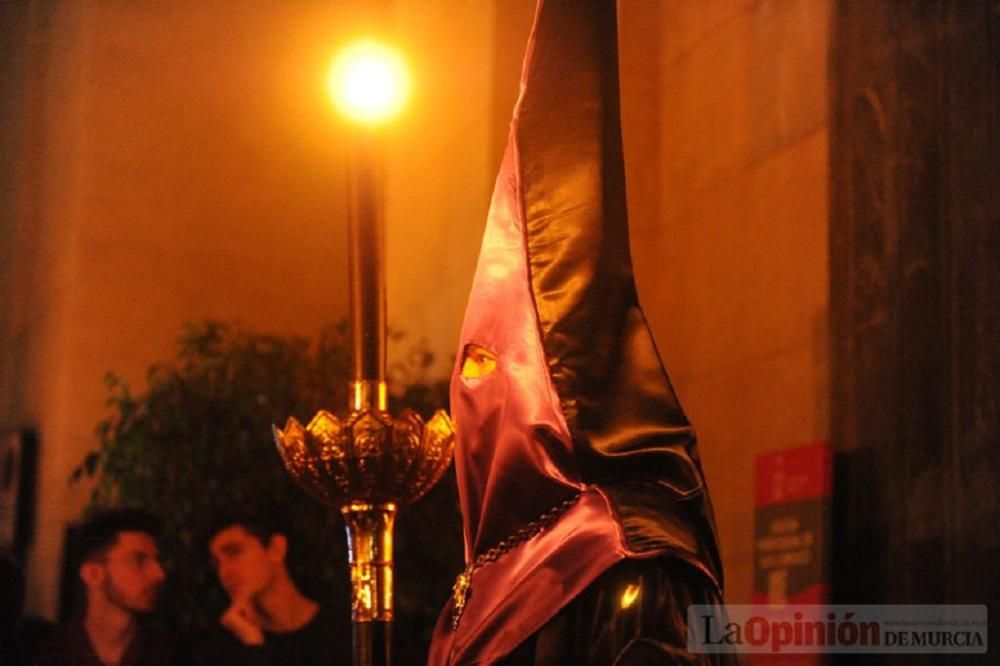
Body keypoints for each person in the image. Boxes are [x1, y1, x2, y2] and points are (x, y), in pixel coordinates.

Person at [428, 1, 733, 663]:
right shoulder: (507, 566)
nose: (467, 399)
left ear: (562, 390)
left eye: (486, 365)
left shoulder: (626, 559)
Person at [194, 505, 350, 665]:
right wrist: (252, 644)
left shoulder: (345, 632)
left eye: (234, 552)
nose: (224, 571)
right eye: (217, 564)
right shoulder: (220, 649)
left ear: (276, 548)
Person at [36, 508, 172, 666]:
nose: (159, 573)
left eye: (157, 561)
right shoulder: (50, 657)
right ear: (93, 574)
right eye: (138, 560)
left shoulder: (173, 656)